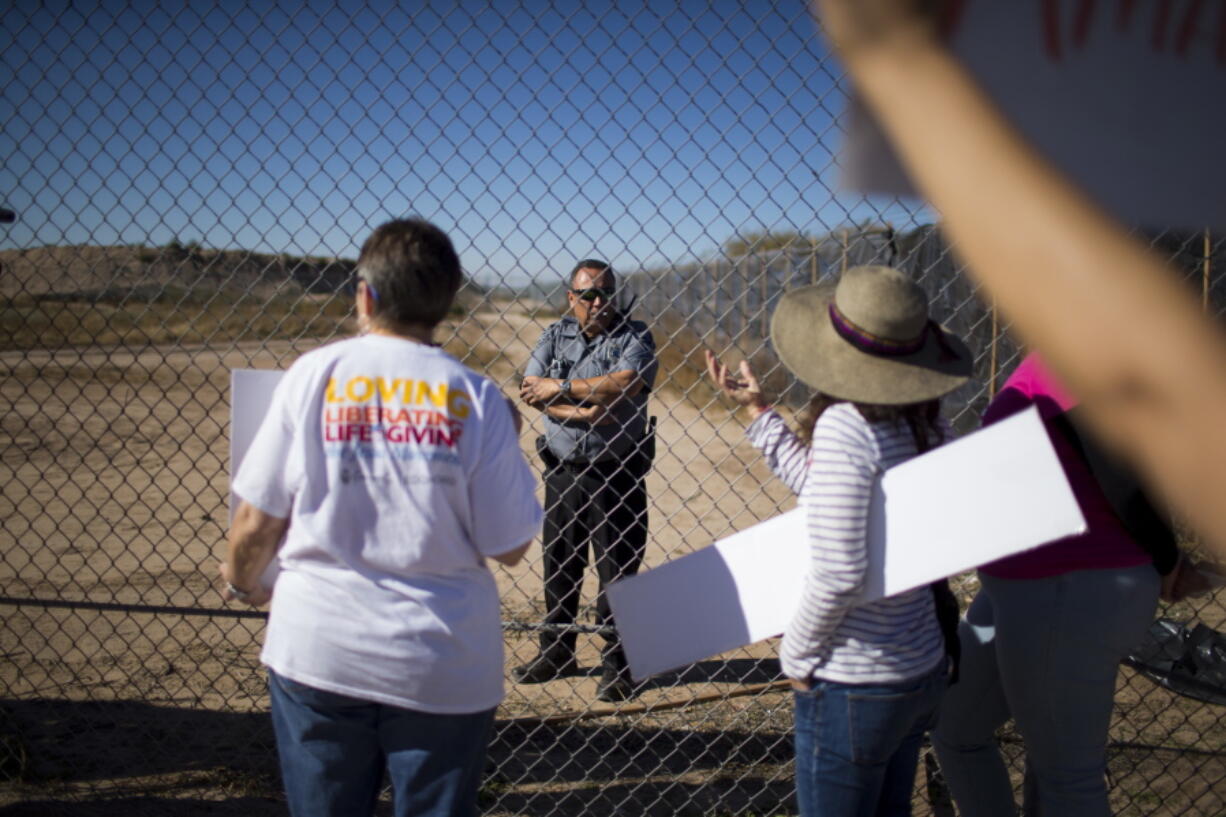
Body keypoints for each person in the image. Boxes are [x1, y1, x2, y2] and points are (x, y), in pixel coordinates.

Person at [810, 0, 1226, 561]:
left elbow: (1146, 396)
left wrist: (900, 64)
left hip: (1070, 574)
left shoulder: (857, 431)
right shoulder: (931, 427)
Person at [219, 218, 542, 817]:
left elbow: (256, 523)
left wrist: (243, 584)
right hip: (442, 662)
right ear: (446, 303)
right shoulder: (476, 397)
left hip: (319, 647)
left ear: (365, 295)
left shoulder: (311, 375)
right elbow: (511, 545)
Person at [707, 264, 973, 817]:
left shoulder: (847, 425)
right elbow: (822, 486)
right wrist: (759, 412)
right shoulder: (926, 421)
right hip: (920, 663)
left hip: (856, 680)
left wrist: (797, 654)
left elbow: (839, 572)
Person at [930, 352, 1215, 817]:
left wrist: (1167, 560)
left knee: (1065, 779)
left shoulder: (1079, 354)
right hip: (1019, 586)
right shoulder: (1052, 353)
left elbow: (1124, 479)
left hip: (1070, 583)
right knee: (956, 726)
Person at [515, 259, 658, 702]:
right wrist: (581, 406)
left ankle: (619, 664)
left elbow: (625, 382)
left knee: (618, 573)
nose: (598, 302)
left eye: (605, 293)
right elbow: (529, 386)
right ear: (571, 298)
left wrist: (555, 391)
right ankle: (557, 649)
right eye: (588, 294)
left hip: (617, 473)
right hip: (563, 469)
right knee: (560, 564)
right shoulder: (554, 333)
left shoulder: (635, 337)